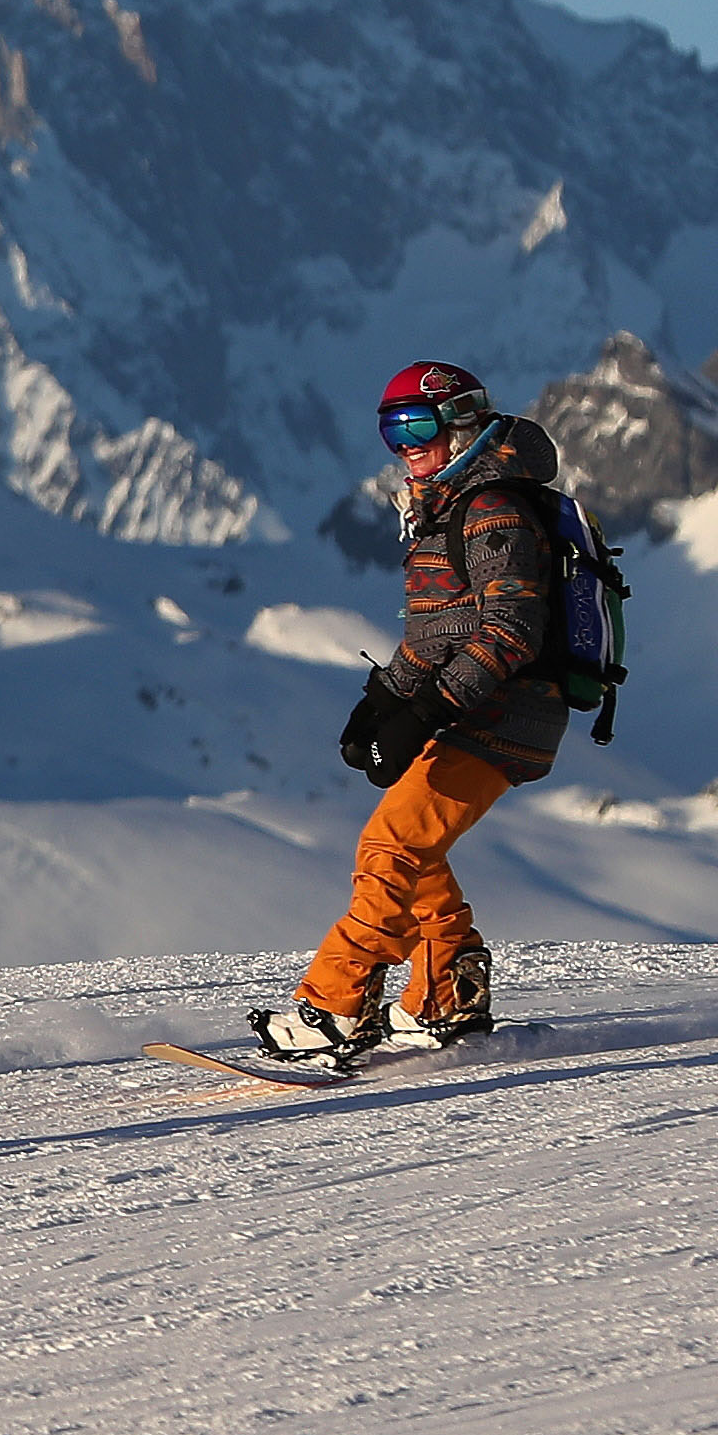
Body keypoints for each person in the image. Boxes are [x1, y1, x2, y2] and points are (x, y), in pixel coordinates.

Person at [259, 359, 570, 1067]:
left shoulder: (491, 507)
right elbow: (437, 632)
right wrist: (382, 701)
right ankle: (446, 993)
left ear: (460, 421)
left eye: (417, 425)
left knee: (390, 848)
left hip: (504, 712)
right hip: (475, 709)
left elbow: (510, 630)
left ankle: (335, 1006)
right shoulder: (445, 503)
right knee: (406, 845)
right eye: (390, 429)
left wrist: (424, 707)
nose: (404, 445)